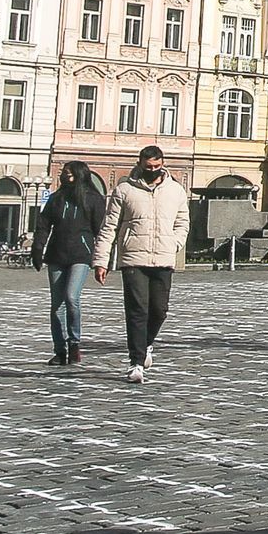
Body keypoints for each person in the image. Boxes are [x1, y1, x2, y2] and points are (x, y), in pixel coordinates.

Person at [91, 145, 189, 385]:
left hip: (164, 257)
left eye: (157, 167)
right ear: (140, 164)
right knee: (137, 310)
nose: (153, 171)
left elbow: (183, 221)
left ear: (163, 164)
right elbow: (109, 226)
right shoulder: (124, 190)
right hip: (133, 259)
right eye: (148, 167)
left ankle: (145, 345)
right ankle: (135, 362)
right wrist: (101, 261)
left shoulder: (175, 190)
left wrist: (175, 242)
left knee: (159, 310)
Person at [31, 161, 106, 366]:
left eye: (69, 174)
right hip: (57, 254)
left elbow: (102, 230)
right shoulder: (57, 198)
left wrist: (102, 259)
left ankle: (74, 342)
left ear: (80, 175)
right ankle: (59, 350)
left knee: (71, 297)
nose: (65, 177)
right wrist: (38, 248)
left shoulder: (93, 199)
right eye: (64, 173)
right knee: (57, 305)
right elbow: (43, 225)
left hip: (81, 254)